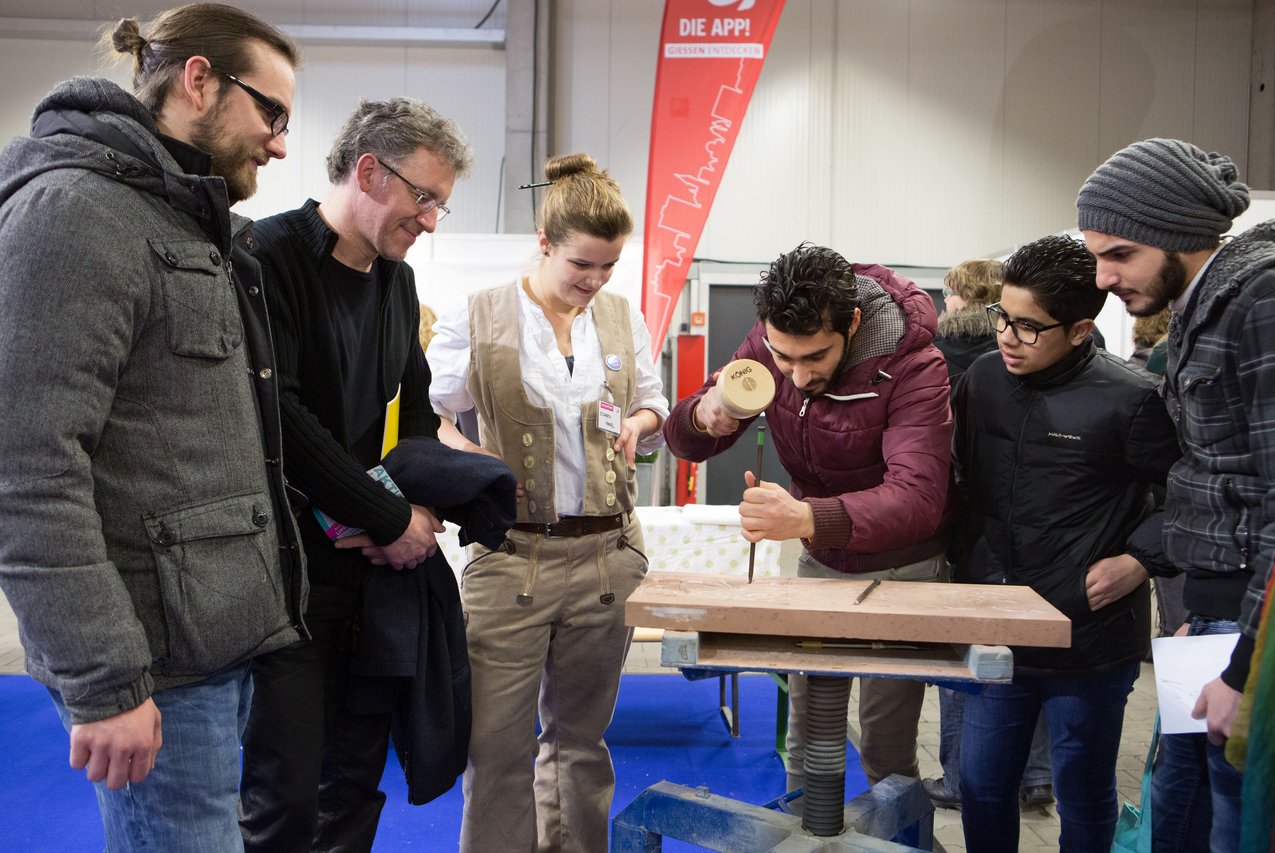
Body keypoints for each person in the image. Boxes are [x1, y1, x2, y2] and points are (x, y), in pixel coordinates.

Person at [0, 5, 304, 849]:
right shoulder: (74, 211)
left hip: (207, 645)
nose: (280, 143)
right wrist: (104, 680)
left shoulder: (176, 216)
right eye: (272, 112)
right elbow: (26, 468)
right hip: (149, 661)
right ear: (198, 81)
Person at [237, 98, 474, 851]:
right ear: (369, 172)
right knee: (284, 791)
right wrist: (389, 516)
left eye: (440, 204)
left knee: (353, 781)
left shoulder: (395, 282)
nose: (430, 220)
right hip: (289, 581)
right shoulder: (264, 257)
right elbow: (283, 419)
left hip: (372, 575)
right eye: (423, 197)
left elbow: (412, 412)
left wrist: (424, 506)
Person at [428, 153, 668, 853]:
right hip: (510, 557)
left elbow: (653, 402)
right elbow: (426, 414)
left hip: (608, 556)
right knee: (495, 746)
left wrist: (638, 424)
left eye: (608, 266)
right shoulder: (478, 315)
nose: (594, 281)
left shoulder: (620, 317)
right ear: (544, 243)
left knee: (581, 742)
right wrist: (467, 456)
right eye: (580, 265)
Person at [663, 243, 952, 794]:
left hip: (903, 571)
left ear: (854, 323)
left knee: (885, 748)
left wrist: (803, 516)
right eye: (782, 357)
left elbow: (919, 499)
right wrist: (704, 414)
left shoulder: (915, 367)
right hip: (821, 561)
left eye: (815, 357)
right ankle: (806, 826)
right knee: (810, 737)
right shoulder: (769, 344)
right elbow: (684, 442)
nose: (796, 376)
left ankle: (892, 830)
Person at [1078, 137, 1275, 853]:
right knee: (1179, 813)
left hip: (1253, 637)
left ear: (1178, 236)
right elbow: (1218, 476)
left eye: (1121, 254)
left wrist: (1247, 665)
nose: (1103, 277)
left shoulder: (1261, 300)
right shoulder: (1208, 305)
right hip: (1216, 617)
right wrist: (1204, 614)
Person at [952, 235, 1182, 853]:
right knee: (981, 785)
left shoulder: (1132, 399)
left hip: (1089, 635)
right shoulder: (982, 379)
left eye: (1029, 327)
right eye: (1002, 317)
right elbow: (961, 482)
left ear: (1081, 330)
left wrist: (1138, 561)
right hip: (997, 623)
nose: (1007, 337)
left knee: (1082, 792)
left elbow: (1186, 498)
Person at [924, 257, 1054, 811]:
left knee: (967, 656)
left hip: (969, 527)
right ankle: (1037, 775)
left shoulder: (938, 354)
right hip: (1042, 532)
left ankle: (960, 776)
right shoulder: (1049, 355)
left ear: (960, 297)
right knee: (1033, 652)